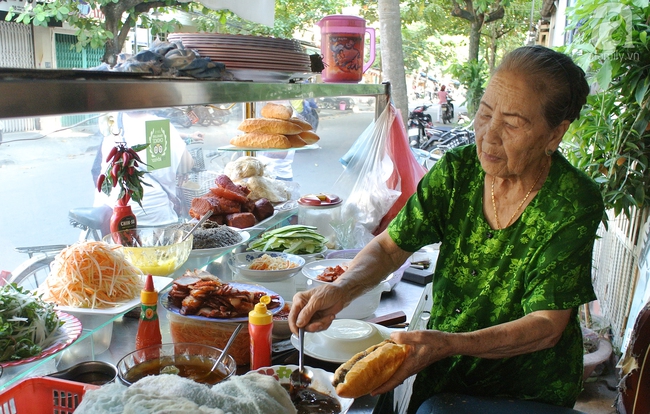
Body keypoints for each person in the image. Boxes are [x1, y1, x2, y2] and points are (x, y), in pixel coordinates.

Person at [289, 45, 604, 412]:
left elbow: (546, 325)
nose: (488, 136)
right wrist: (341, 289)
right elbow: (392, 247)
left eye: (513, 124)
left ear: (555, 134)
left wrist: (450, 343)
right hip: (445, 372)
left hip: (527, 389)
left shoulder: (571, 201)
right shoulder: (459, 171)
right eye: (485, 114)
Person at [93, 111, 194, 226]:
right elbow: (187, 163)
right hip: (155, 214)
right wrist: (180, 169)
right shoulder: (159, 125)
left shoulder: (113, 123)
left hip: (113, 213)